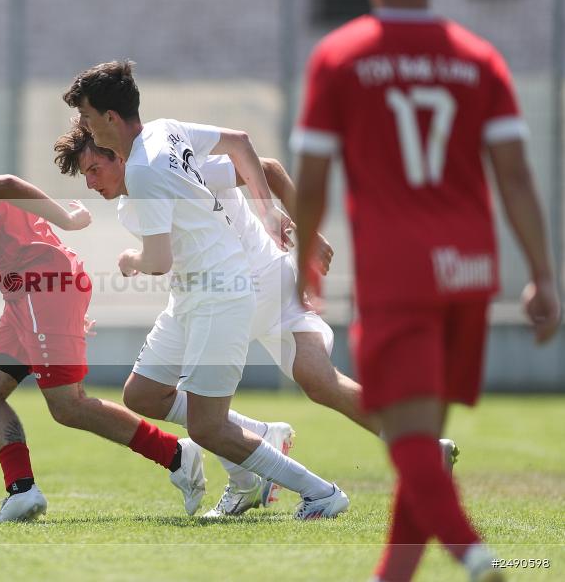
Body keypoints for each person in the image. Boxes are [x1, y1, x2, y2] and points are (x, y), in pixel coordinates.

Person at [291, 0, 561, 580]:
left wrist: (305, 257)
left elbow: (311, 181)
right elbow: (515, 175)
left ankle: (475, 555)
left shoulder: (341, 56)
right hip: (469, 271)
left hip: (399, 271)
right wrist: (543, 274)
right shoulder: (478, 57)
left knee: (408, 441)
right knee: (423, 438)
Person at [54, 124, 460, 517]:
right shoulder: (135, 197)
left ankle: (282, 480)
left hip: (246, 287)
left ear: (120, 156)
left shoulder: (163, 168)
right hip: (232, 289)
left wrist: (306, 233)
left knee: (221, 415)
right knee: (148, 395)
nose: (90, 182)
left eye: (95, 168)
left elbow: (265, 169)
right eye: (84, 173)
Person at [0, 138, 208, 523]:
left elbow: (7, 183)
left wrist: (68, 219)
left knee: (68, 405)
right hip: (27, 301)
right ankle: (22, 491)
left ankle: (177, 454)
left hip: (42, 291)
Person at [62, 60, 349, 519]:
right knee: (143, 394)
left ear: (111, 120)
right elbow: (240, 142)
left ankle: (320, 493)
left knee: (207, 427)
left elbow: (157, 261)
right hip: (193, 295)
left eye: (90, 119)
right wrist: (268, 212)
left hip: (221, 290)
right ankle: (260, 441)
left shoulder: (144, 172)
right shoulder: (165, 132)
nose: (88, 127)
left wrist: (128, 261)